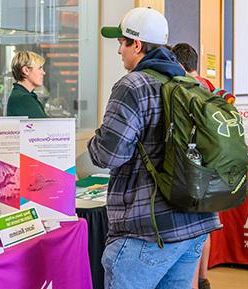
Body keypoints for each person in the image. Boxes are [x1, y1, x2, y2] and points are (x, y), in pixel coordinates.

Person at [88, 7, 221, 289]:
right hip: (195, 223)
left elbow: (108, 154)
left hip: (147, 231)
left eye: (121, 43)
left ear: (136, 44)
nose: (118, 51)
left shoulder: (133, 85)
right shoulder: (192, 85)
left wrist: (92, 140)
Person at [172, 42, 222, 289]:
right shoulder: (212, 88)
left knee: (192, 233)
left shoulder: (185, 89)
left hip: (194, 170)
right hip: (214, 168)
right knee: (205, 226)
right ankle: (203, 279)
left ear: (179, 65)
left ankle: (194, 284)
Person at [6, 50, 47, 118]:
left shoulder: (24, 95)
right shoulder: (22, 99)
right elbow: (43, 126)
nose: (43, 73)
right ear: (26, 70)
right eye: (40, 68)